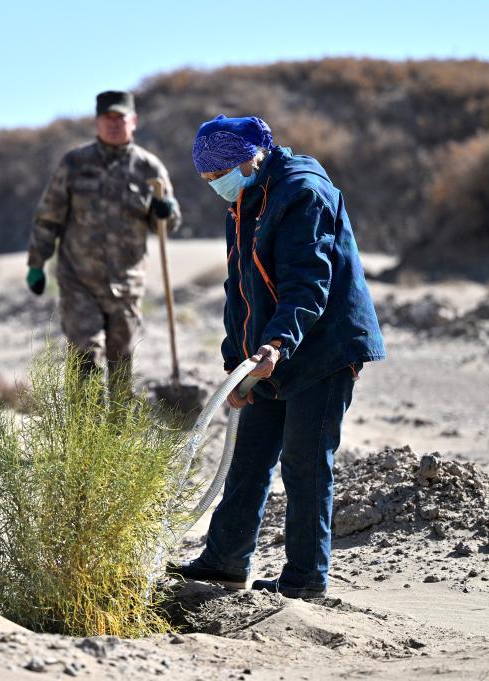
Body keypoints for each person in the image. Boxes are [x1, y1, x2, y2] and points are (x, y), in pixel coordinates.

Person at [168, 115, 385, 599]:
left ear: (250, 159)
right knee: (249, 456)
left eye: (219, 174)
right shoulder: (243, 203)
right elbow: (240, 288)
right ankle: (224, 562)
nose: (215, 185)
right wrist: (235, 360)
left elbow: (307, 282)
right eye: (207, 179)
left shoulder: (302, 192)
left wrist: (279, 343)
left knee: (304, 462)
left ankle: (306, 580)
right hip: (268, 350)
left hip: (322, 348)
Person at [26, 90, 181, 391]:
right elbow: (48, 217)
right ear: (97, 122)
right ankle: (84, 422)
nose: (113, 124)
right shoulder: (74, 164)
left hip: (127, 284)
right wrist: (36, 263)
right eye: (107, 118)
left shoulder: (149, 169)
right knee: (85, 355)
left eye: (119, 118)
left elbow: (167, 225)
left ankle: (118, 421)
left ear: (133, 121)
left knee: (122, 362)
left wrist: (166, 211)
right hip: (78, 281)